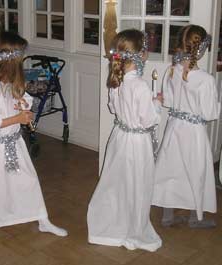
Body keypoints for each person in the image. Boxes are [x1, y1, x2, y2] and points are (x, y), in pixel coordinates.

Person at [0, 31, 67, 238]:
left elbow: (22, 99)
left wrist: (22, 104)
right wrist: (17, 119)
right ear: (10, 60)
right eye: (19, 57)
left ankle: (42, 218)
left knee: (29, 179)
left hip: (14, 142)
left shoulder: (9, 83)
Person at [87, 29, 162, 252]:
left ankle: (113, 221)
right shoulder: (139, 85)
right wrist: (155, 103)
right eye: (145, 49)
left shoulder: (116, 80)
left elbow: (113, 108)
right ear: (140, 54)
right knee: (137, 183)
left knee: (117, 182)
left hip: (120, 138)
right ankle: (133, 227)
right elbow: (149, 120)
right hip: (137, 144)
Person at [152, 25, 220, 228]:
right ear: (202, 49)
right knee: (195, 170)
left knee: (170, 168)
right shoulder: (206, 80)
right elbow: (210, 113)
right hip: (194, 132)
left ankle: (167, 215)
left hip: (174, 127)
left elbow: (168, 102)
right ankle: (194, 217)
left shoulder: (172, 70)